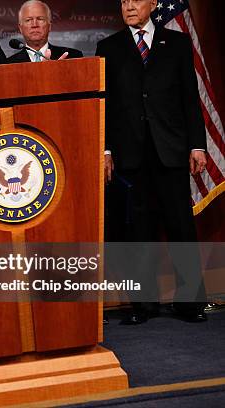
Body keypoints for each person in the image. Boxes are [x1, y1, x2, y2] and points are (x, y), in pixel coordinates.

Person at [96, 0, 207, 324]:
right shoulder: (108, 47)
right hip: (129, 156)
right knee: (137, 233)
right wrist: (105, 151)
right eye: (123, 1)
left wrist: (197, 146)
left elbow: (190, 98)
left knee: (180, 229)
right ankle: (143, 305)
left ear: (153, 4)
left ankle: (189, 303)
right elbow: (104, 103)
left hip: (170, 151)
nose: (128, 6)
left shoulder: (177, 43)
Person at [7, 0, 82, 63]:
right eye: (28, 20)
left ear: (49, 26)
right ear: (20, 28)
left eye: (40, 19)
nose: (34, 25)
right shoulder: (8, 64)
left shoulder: (73, 57)